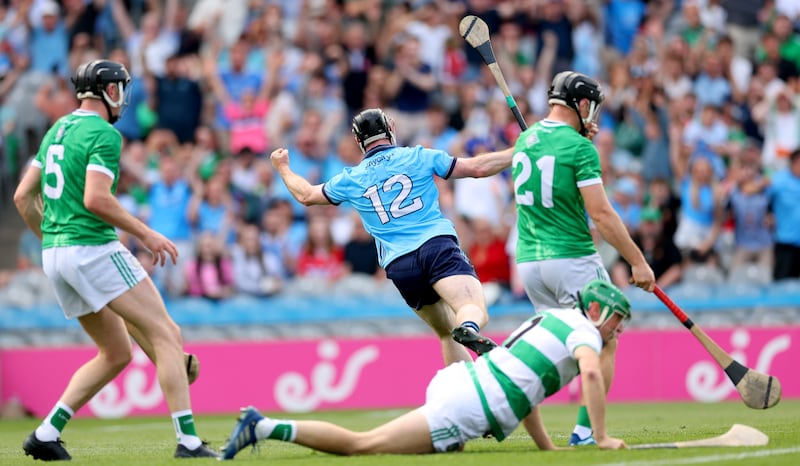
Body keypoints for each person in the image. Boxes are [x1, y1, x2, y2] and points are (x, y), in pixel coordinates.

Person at [13, 59, 217, 460]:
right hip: (93, 247)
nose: (123, 98)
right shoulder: (103, 133)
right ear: (109, 92)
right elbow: (96, 198)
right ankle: (189, 441)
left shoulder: (56, 130)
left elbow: (23, 197)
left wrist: (54, 239)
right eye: (120, 89)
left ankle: (46, 434)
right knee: (167, 336)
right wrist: (146, 232)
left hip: (56, 254)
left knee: (116, 353)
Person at [220, 279, 632, 459]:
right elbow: (592, 375)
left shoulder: (553, 322)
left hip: (465, 382)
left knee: (443, 448)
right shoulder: (586, 332)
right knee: (362, 446)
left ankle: (449, 441)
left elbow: (526, 395)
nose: (618, 329)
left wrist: (548, 449)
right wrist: (600, 437)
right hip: (468, 402)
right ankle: (262, 426)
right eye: (617, 318)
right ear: (596, 309)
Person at [268, 108, 513, 365]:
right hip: (435, 245)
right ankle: (470, 327)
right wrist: (516, 152)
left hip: (400, 265)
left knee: (444, 333)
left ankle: (462, 392)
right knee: (472, 306)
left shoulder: (351, 178)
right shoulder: (418, 155)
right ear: (391, 129)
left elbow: (306, 195)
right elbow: (477, 168)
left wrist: (283, 168)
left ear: (358, 141)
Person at [510, 71, 655, 446]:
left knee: (558, 344)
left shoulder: (526, 139)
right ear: (583, 104)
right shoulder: (580, 148)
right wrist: (638, 261)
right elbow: (602, 215)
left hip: (530, 263)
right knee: (606, 339)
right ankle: (587, 432)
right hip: (572, 257)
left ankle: (510, 403)